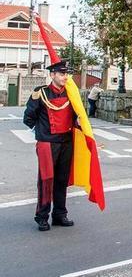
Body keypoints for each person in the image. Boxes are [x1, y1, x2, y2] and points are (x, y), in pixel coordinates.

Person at [23, 60, 77, 232]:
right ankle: (42, 216)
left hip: (66, 142)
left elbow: (77, 117)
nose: (65, 77)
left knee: (62, 179)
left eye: (66, 74)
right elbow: (28, 118)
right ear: (52, 75)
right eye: (62, 74)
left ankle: (60, 214)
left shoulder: (71, 93)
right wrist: (42, 133)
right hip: (48, 143)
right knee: (46, 181)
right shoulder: (41, 93)